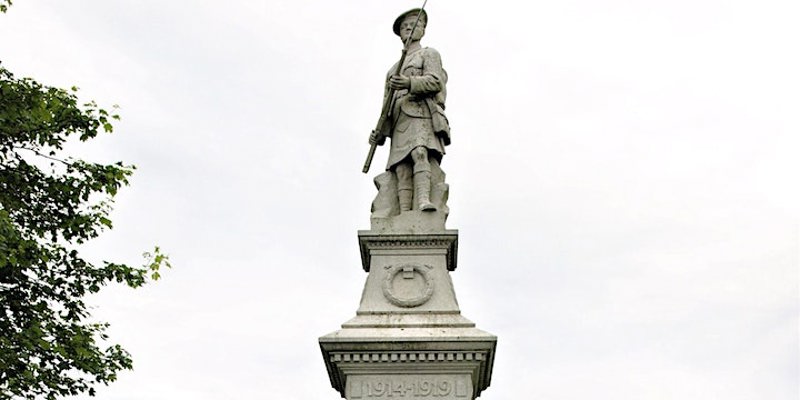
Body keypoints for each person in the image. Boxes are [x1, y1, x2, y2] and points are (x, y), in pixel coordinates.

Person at [369, 8, 450, 212]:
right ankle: (404, 212)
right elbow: (386, 107)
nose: (408, 28)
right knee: (402, 168)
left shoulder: (429, 54)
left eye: (413, 24)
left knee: (420, 153)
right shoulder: (392, 70)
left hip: (420, 114)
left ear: (422, 30)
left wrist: (408, 82)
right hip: (399, 122)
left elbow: (435, 82)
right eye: (404, 26)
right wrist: (379, 134)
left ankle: (423, 200)